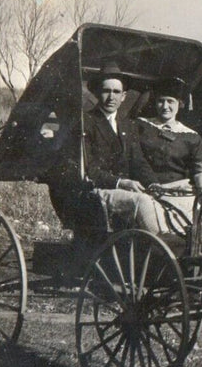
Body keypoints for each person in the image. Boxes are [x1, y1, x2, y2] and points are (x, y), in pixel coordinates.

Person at [47, 62, 166, 237]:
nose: (111, 97)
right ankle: (163, 247)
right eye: (106, 91)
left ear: (124, 96)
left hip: (122, 192)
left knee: (163, 200)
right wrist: (121, 182)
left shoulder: (128, 125)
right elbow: (89, 169)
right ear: (96, 93)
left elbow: (138, 162)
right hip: (97, 193)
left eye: (116, 92)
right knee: (143, 201)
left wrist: (153, 183)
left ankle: (165, 244)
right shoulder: (84, 123)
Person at [134, 77, 202, 229]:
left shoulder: (191, 136)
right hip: (146, 191)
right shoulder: (140, 126)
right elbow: (134, 159)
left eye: (170, 101)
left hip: (179, 192)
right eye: (160, 101)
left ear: (180, 104)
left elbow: (200, 168)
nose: (165, 106)